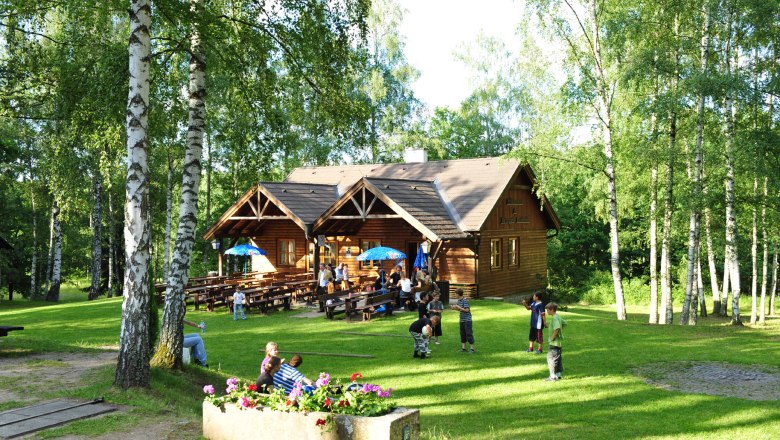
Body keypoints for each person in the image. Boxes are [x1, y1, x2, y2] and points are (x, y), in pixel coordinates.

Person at [544, 302, 566, 382]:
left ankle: (552, 377)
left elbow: (557, 328)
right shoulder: (558, 317)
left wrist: (552, 338)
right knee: (558, 359)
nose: (547, 311)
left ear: (552, 310)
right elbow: (564, 323)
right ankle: (558, 375)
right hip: (558, 343)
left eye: (548, 310)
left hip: (554, 343)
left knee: (551, 359)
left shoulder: (554, 318)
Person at [451, 288, 475, 353]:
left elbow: (467, 310)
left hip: (467, 320)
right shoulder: (459, 301)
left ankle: (472, 349)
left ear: (458, 294)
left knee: (469, 334)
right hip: (462, 320)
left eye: (456, 294)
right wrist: (455, 308)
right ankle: (463, 348)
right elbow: (460, 310)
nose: (455, 295)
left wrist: (459, 307)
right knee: (462, 334)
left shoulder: (465, 300)